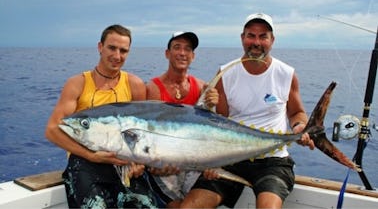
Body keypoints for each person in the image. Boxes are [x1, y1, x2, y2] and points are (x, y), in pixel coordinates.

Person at [178, 13, 315, 208]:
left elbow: (296, 113)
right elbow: (219, 121)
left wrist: (300, 126)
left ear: (272, 40)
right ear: (242, 38)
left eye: (263, 36)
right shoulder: (226, 73)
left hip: (273, 160)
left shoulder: (286, 73)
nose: (256, 42)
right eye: (251, 35)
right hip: (231, 157)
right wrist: (210, 161)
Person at [45, 24, 160, 208]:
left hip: (125, 163)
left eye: (123, 51)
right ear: (100, 47)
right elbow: (52, 130)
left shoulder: (135, 84)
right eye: (112, 48)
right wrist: (91, 156)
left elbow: (143, 132)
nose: (117, 56)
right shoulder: (77, 83)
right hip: (84, 162)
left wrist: (139, 162)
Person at [145, 31, 218, 207]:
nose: (182, 53)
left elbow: (211, 131)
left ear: (193, 56)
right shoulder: (153, 88)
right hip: (164, 165)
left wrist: (214, 104)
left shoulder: (202, 87)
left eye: (187, 49)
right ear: (167, 53)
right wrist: (155, 162)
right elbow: (149, 133)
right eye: (177, 47)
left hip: (195, 162)